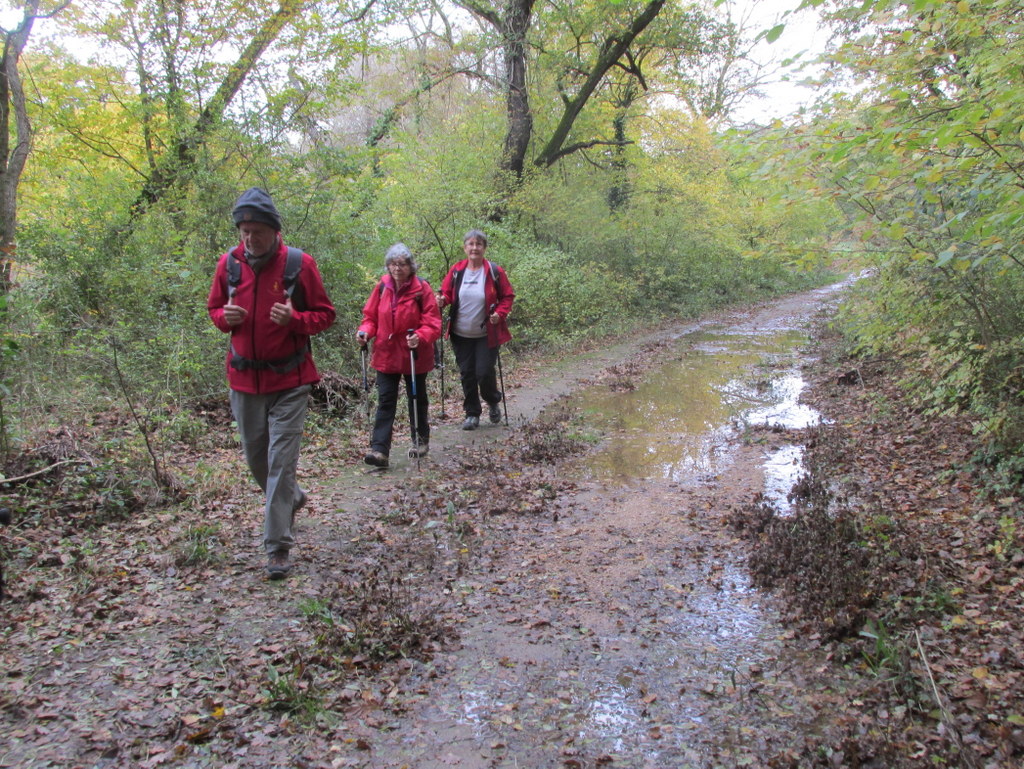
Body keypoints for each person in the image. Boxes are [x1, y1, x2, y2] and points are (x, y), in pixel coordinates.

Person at [207, 187, 336, 580]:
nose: (250, 237)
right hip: (244, 379)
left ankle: (277, 546)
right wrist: (222, 318)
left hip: (290, 380)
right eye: (244, 230)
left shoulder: (298, 264)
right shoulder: (228, 266)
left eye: (257, 230)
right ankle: (292, 499)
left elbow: (326, 315)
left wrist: (295, 320)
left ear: (274, 231)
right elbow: (213, 308)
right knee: (256, 459)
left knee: (281, 462)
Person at [357, 243, 442, 468]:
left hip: (415, 355)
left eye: (402, 264)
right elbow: (370, 317)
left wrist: (420, 336)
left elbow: (433, 323)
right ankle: (379, 451)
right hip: (386, 354)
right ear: (388, 265)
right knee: (386, 401)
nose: (397, 268)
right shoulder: (382, 287)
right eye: (393, 264)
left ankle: (420, 442)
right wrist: (365, 332)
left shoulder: (421, 289)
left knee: (417, 399)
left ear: (410, 266)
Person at [437, 229, 515, 430]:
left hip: (487, 333)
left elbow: (507, 296)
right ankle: (472, 413)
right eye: (470, 244)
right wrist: (441, 301)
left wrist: (500, 313)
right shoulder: (457, 271)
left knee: (483, 371)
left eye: (478, 244)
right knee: (467, 373)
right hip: (460, 333)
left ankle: (492, 400)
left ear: (484, 248)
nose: (474, 248)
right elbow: (446, 293)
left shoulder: (494, 271)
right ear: (465, 248)